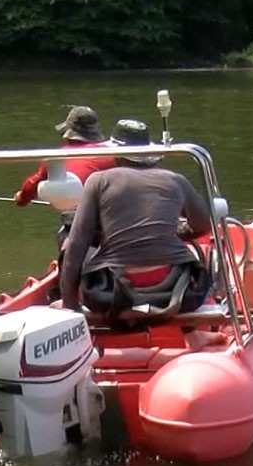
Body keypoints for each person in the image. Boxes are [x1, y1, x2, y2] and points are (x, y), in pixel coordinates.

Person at [57, 119, 214, 313]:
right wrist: (177, 231)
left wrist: (69, 304)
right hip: (176, 291)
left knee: (69, 243)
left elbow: (77, 244)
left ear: (115, 154)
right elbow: (203, 224)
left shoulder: (98, 181)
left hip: (111, 293)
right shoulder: (175, 180)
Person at [14, 105, 118, 241]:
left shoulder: (57, 157)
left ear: (69, 132)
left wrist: (21, 198)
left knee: (64, 235)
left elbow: (32, 184)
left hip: (78, 221)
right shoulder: (111, 154)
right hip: (110, 219)